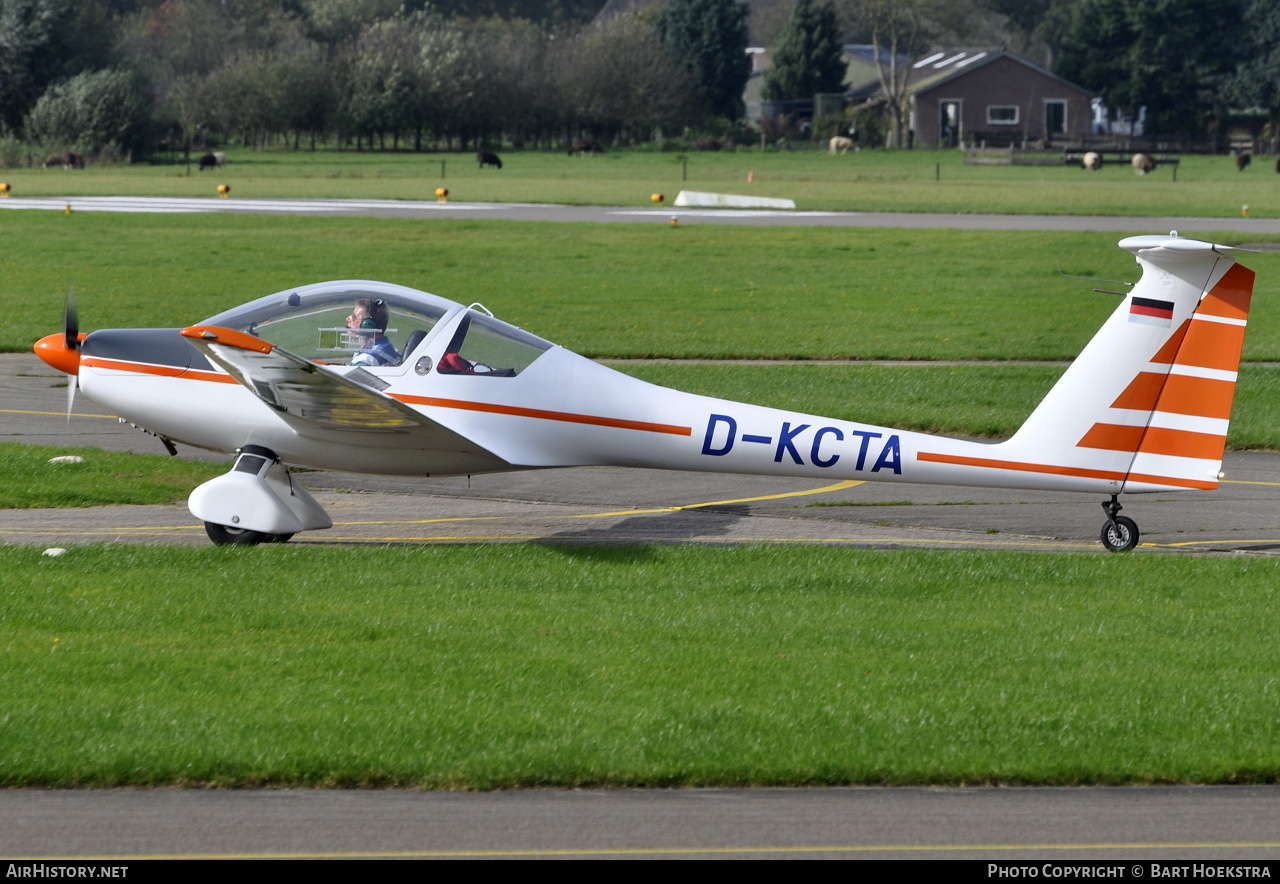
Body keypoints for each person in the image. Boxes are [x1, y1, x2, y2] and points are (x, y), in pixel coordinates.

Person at [347, 298, 399, 366]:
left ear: (368, 325)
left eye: (355, 317)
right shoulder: (386, 347)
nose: (348, 319)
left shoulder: (366, 359)